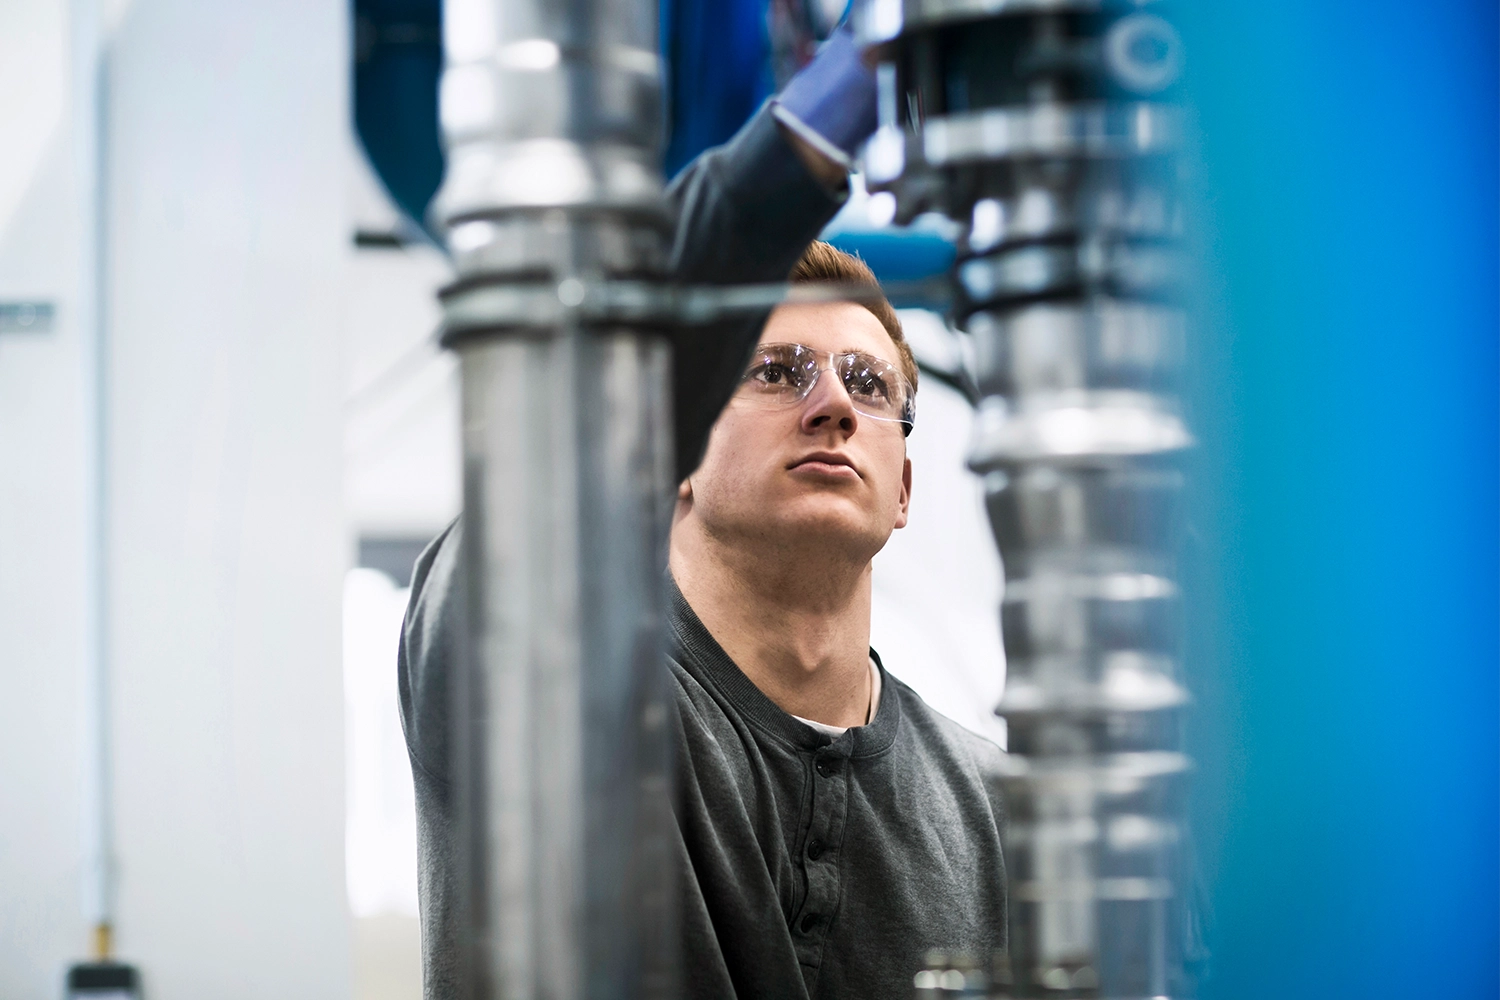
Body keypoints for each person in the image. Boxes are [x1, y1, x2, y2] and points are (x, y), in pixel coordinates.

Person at [398, 31, 1006, 1000]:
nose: (833, 405)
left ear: (904, 490)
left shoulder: (993, 812)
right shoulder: (541, 683)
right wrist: (814, 131)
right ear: (671, 443)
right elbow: (574, 415)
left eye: (867, 383)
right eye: (775, 371)